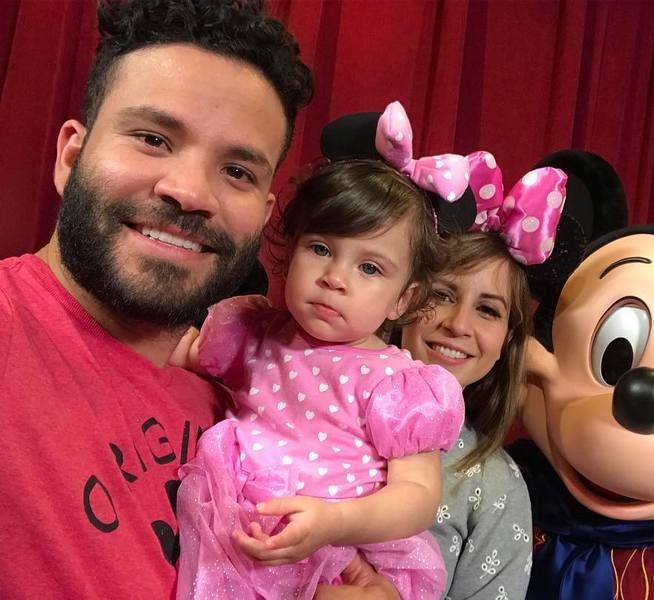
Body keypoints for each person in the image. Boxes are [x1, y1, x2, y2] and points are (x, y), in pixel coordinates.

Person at [0, 1, 312, 598]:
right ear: (71, 155)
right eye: (153, 138)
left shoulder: (242, 408)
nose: (191, 192)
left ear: (265, 216)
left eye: (238, 172)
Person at [171, 157, 468, 599]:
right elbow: (177, 353)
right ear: (290, 253)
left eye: (370, 268)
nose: (335, 278)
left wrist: (337, 521)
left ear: (402, 300)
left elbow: (419, 495)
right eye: (321, 249)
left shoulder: (397, 385)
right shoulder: (254, 332)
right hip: (237, 523)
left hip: (341, 549)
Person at [315, 150, 569, 599]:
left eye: (488, 310)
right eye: (443, 294)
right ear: (402, 300)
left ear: (508, 342)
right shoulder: (313, 394)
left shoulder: (497, 485)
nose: (458, 324)